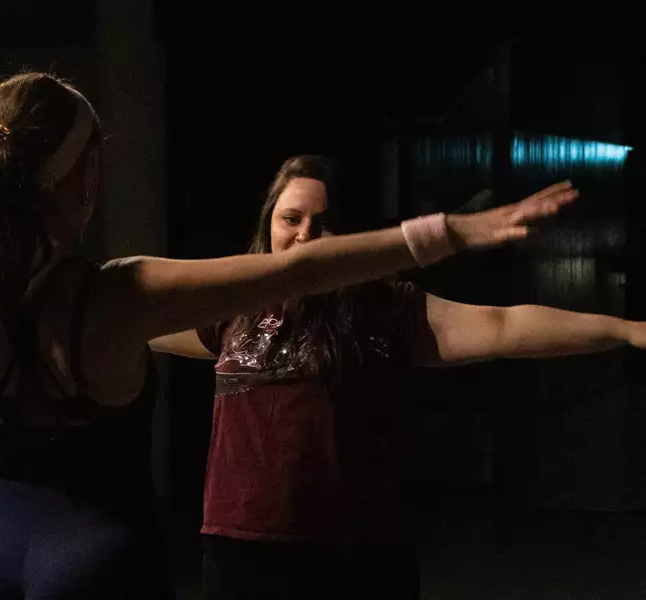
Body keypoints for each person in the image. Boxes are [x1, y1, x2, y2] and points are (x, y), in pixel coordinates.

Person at [0, 74, 576, 599]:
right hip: (94, 557)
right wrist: (445, 232)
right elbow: (296, 272)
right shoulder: (122, 295)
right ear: (84, 181)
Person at [149, 154, 646, 600]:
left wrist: (626, 330)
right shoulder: (233, 307)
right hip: (239, 550)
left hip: (352, 555)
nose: (304, 236)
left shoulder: (383, 308)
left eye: (323, 223)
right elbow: (136, 322)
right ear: (268, 224)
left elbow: (502, 326)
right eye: (291, 219)